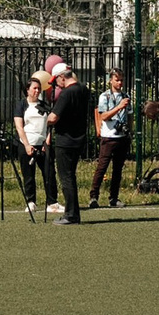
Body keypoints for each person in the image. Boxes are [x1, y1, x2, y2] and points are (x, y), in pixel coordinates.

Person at [48, 68, 94, 225]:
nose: (57, 85)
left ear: (62, 77)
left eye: (57, 81)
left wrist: (43, 120)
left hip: (65, 140)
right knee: (71, 176)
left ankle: (71, 214)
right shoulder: (84, 89)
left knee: (66, 177)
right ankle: (73, 213)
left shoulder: (66, 93)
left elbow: (53, 117)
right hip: (79, 138)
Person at [89, 71, 131, 208]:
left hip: (122, 137)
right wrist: (118, 107)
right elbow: (103, 116)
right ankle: (93, 197)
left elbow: (130, 115)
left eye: (121, 80)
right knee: (102, 168)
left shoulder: (126, 96)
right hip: (108, 137)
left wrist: (129, 129)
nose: (120, 83)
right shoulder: (104, 96)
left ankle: (114, 197)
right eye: (117, 80)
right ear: (111, 81)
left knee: (117, 170)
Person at [13, 78, 54, 214]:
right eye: (34, 88)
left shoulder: (44, 105)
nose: (37, 91)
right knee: (28, 175)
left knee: (49, 173)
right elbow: (19, 126)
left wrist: (47, 140)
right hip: (27, 144)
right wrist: (26, 145)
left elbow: (51, 124)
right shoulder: (22, 105)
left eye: (39, 88)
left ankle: (52, 202)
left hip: (43, 145)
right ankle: (31, 202)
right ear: (28, 90)